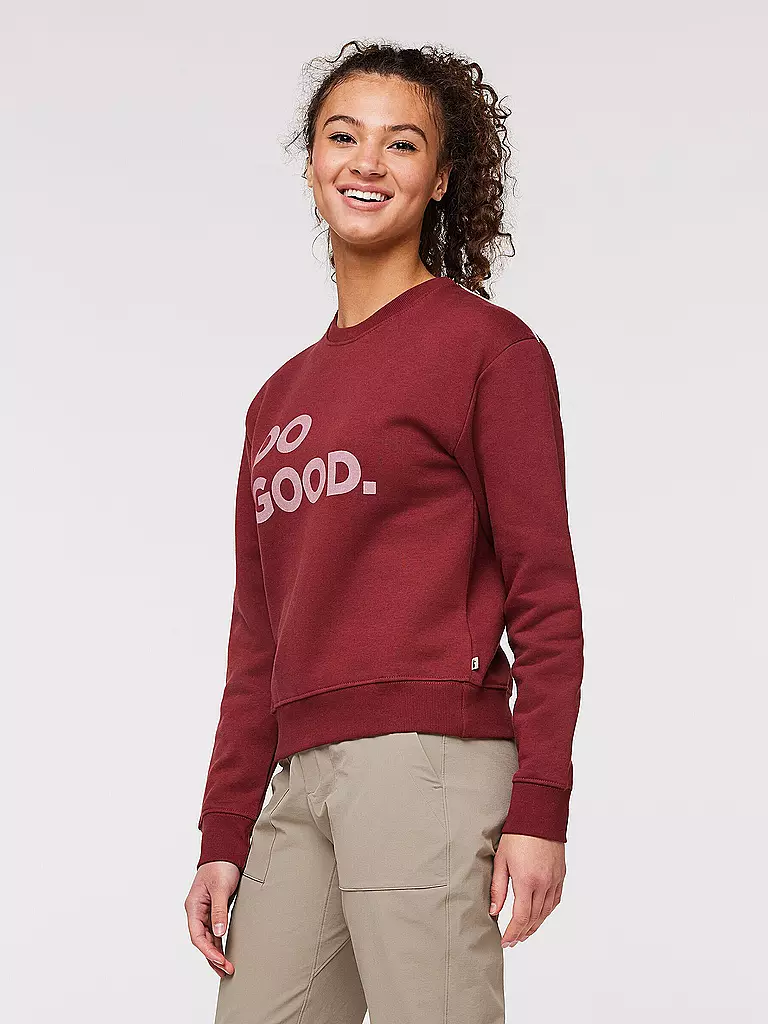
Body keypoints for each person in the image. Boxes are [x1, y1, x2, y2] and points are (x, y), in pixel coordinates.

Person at [184, 39, 584, 1024]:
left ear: (440, 178)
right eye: (343, 136)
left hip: (429, 760)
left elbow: (545, 595)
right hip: (300, 775)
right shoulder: (277, 401)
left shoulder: (488, 350)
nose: (367, 162)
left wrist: (541, 802)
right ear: (311, 160)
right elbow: (258, 634)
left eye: (401, 143)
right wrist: (224, 827)